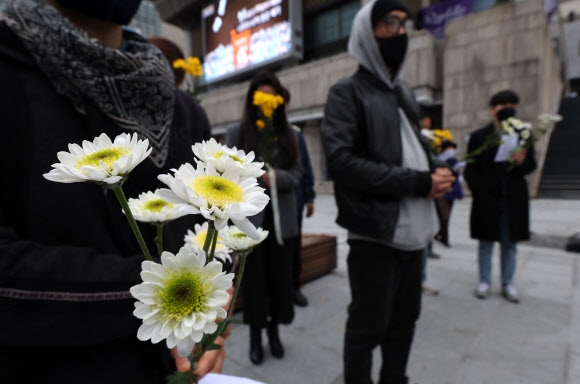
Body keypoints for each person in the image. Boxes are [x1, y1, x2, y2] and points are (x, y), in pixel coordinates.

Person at [0, 0, 224, 382]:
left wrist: (215, 307)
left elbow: (212, 233)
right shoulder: (9, 81)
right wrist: (157, 291)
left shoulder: (183, 109)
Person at [321, 1, 455, 383]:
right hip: (375, 236)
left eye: (403, 24)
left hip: (415, 237)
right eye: (388, 24)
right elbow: (343, 163)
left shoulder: (405, 94)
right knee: (367, 328)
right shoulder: (347, 92)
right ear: (366, 32)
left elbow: (412, 151)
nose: (399, 32)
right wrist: (419, 182)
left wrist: (435, 171)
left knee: (404, 324)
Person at [226, 70, 303, 365]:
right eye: (262, 98)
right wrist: (254, 177)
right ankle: (256, 336)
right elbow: (228, 171)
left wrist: (274, 177)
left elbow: (297, 173)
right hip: (250, 223)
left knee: (280, 281)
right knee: (254, 282)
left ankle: (274, 333)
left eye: (273, 98)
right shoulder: (237, 132)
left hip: (281, 222)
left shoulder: (289, 135)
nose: (267, 104)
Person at [465, 90, 537, 303]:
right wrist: (478, 190)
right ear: (492, 108)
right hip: (487, 197)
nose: (507, 108)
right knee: (486, 241)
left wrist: (521, 161)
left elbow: (531, 166)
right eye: (502, 104)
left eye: (512, 104)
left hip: (513, 197)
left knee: (510, 242)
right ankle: (484, 280)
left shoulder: (523, 135)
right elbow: (471, 168)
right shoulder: (479, 136)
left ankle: (508, 282)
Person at [281, 86, 316, 308]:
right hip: (270, 206)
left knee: (294, 248)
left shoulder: (294, 134)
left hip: (294, 203)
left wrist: (310, 196)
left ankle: (295, 287)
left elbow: (305, 168)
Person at [434, 140, 464, 247]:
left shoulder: (453, 160)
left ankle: (440, 235)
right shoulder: (438, 160)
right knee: (443, 215)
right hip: (442, 192)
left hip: (450, 192)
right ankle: (442, 237)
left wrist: (459, 193)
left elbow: (457, 179)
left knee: (445, 216)